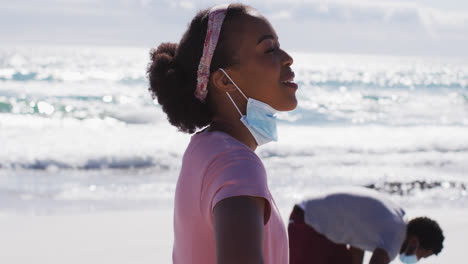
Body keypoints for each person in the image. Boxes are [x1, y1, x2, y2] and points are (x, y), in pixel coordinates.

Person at [147, 3, 298, 264]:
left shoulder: (203, 149)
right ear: (224, 81)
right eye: (269, 48)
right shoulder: (237, 165)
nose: (287, 57)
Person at [288, 187, 444, 264]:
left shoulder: (397, 218)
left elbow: (357, 244)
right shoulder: (395, 237)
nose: (417, 260)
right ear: (414, 243)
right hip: (308, 223)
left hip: (318, 224)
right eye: (421, 256)